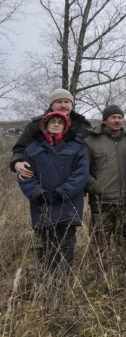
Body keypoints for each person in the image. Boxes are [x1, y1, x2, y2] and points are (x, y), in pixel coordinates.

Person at [18, 111, 89, 278]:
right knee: (45, 249)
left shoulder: (77, 147)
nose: (56, 124)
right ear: (45, 125)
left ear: (65, 126)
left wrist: (61, 192)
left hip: (68, 205)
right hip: (42, 206)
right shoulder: (33, 148)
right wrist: (39, 194)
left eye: (60, 122)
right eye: (53, 121)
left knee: (66, 249)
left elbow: (80, 175)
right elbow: (26, 177)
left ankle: (63, 289)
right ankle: (46, 287)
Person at [85, 105, 126, 270]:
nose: (117, 121)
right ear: (104, 120)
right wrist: (97, 188)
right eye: (113, 117)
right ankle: (98, 271)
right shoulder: (90, 141)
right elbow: (82, 171)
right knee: (99, 239)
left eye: (120, 117)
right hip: (101, 201)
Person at [11, 88, 92, 179]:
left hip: (77, 182)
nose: (63, 105)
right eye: (58, 102)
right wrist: (17, 163)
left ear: (71, 104)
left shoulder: (83, 125)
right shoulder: (36, 125)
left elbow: (92, 153)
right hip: (44, 182)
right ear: (51, 105)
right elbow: (19, 149)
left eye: (66, 102)